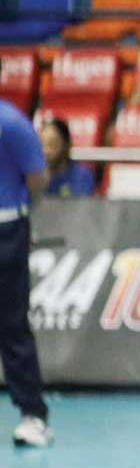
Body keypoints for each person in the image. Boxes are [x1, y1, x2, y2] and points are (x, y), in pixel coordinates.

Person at [0, 99, 52, 446]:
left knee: (12, 325)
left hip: (6, 230)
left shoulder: (11, 123)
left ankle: (33, 415)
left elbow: (37, 178)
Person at [39, 119, 95, 197]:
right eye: (42, 144)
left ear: (66, 145)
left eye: (51, 144)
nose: (45, 151)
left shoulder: (82, 176)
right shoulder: (34, 176)